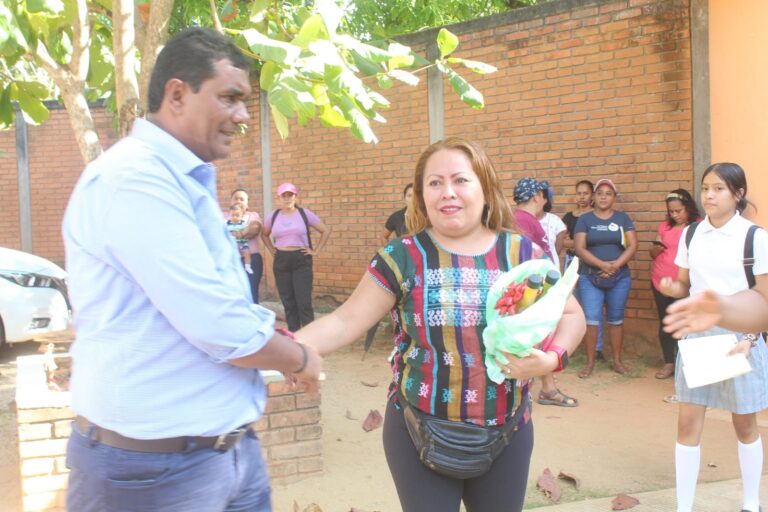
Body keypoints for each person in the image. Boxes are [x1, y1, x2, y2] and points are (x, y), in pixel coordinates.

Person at [61, 28, 321, 512]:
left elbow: (219, 306)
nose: (242, 115)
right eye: (229, 98)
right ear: (177, 94)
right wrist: (299, 359)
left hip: (225, 456)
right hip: (147, 475)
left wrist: (271, 335)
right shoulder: (134, 180)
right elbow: (217, 325)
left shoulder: (184, 182)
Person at [297, 138, 585, 512]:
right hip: (418, 431)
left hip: (508, 432)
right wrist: (289, 348)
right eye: (434, 183)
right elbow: (344, 320)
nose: (447, 193)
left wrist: (552, 360)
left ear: (484, 188)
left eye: (461, 180)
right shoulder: (401, 257)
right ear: (420, 195)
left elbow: (572, 315)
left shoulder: (520, 253)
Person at [658, 163, 768, 512]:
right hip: (699, 336)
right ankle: (684, 506)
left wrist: (750, 338)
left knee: (745, 423)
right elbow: (684, 283)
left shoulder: (754, 237)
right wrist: (672, 287)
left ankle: (751, 503)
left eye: (719, 188)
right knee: (688, 422)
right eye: (706, 188)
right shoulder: (692, 234)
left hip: (740, 335)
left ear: (738, 194)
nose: (709, 195)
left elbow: (763, 298)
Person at [513, 177, 578, 408]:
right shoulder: (526, 222)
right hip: (535, 289)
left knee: (537, 336)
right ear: (537, 197)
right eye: (544, 196)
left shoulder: (517, 219)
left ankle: (546, 388)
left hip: (527, 288)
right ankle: (545, 390)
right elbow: (532, 259)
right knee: (540, 336)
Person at [574, 178, 637, 378]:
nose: (603, 197)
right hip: (590, 276)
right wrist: (602, 265)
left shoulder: (623, 218)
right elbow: (580, 248)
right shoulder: (584, 220)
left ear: (614, 197)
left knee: (616, 320)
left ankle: (617, 361)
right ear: (594, 196)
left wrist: (615, 266)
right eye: (599, 193)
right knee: (592, 320)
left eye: (608, 193)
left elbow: (633, 245)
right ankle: (590, 362)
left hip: (619, 277)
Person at [261, 182, 331, 332]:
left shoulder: (304, 214)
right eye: (283, 196)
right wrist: (272, 249)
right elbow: (264, 234)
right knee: (288, 301)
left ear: (295, 196)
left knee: (303, 301)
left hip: (301, 258)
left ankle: (310, 334)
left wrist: (316, 251)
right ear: (278, 198)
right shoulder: (273, 216)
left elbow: (325, 230)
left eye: (290, 195)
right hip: (281, 260)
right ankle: (294, 333)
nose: (287, 199)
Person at [649, 189, 700, 380]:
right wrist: (654, 249)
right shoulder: (665, 227)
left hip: (686, 285)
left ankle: (685, 365)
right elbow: (653, 254)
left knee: (686, 325)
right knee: (666, 323)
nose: (675, 215)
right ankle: (669, 363)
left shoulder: (699, 227)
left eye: (679, 210)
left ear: (688, 207)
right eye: (671, 211)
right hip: (660, 282)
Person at [365, 182, 414, 355]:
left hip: (420, 264)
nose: (413, 198)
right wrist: (390, 254)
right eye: (409, 195)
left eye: (416, 195)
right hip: (402, 265)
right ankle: (398, 341)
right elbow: (384, 236)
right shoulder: (397, 217)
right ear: (404, 198)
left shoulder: (429, 216)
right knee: (397, 302)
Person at [561, 179, 605, 360]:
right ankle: (570, 345)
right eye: (579, 193)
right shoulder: (569, 217)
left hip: (590, 263)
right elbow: (563, 241)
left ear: (592, 195)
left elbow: (591, 242)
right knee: (570, 305)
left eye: (585, 193)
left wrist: (578, 243)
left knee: (592, 307)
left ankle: (597, 348)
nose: (582, 197)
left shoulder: (595, 216)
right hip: (571, 262)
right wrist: (579, 243)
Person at [229, 188, 264, 302]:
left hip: (252, 260)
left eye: (242, 199)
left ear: (247, 204)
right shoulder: (224, 216)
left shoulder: (252, 215)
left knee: (251, 295)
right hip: (230, 261)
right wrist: (244, 232)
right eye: (236, 198)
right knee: (233, 296)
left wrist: (233, 235)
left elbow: (254, 229)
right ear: (230, 202)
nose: (238, 201)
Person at [538, 187, 567, 270]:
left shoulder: (555, 221)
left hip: (551, 268)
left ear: (545, 200)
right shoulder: (525, 220)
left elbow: (557, 249)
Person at [227, 203, 254, 274]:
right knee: (233, 255)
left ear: (242, 216)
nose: (235, 217)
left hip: (242, 242)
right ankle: (234, 267)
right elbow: (225, 232)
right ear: (229, 215)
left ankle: (247, 266)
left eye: (237, 215)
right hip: (232, 243)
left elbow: (248, 229)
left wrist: (242, 233)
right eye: (232, 215)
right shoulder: (227, 224)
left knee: (247, 253)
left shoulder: (242, 223)